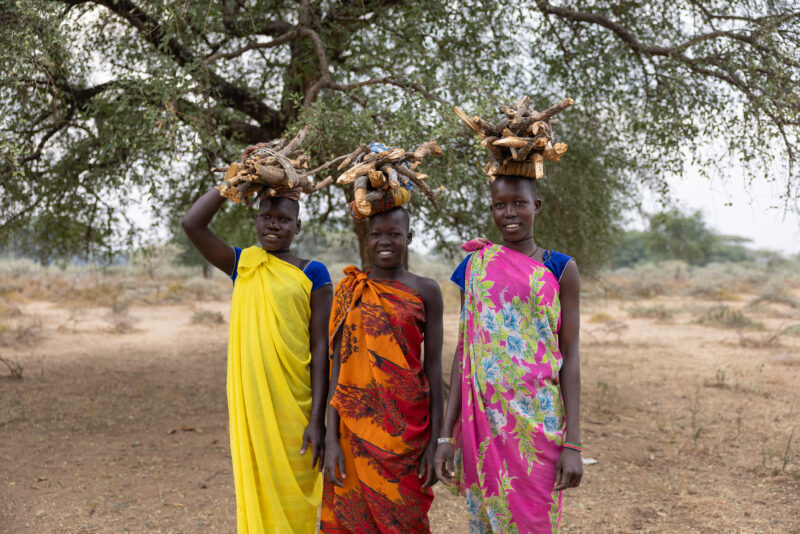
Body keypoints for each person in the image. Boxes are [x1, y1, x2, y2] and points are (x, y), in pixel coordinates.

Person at [181, 178, 333, 533]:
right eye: (266, 217)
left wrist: (317, 419)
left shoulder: (313, 272)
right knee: (259, 492)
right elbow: (192, 224)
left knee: (297, 499)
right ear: (256, 220)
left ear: (298, 226)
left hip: (296, 407)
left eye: (283, 219)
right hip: (255, 410)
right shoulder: (243, 264)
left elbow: (321, 348)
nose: (273, 225)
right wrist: (236, 181)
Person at [434, 174, 583, 533]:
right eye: (500, 205)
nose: (510, 213)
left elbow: (571, 355)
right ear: (491, 209)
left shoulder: (560, 268)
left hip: (539, 422)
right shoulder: (472, 267)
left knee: (535, 521)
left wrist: (573, 442)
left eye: (519, 203)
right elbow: (464, 353)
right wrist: (444, 436)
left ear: (537, 206)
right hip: (482, 425)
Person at [321, 206, 444, 533]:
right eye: (376, 234)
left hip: (407, 434)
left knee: (406, 522)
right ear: (367, 239)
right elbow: (339, 369)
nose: (384, 241)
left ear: (409, 238)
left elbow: (433, 368)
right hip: (353, 431)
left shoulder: (426, 290)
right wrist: (330, 438)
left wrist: (434, 443)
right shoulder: (350, 292)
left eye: (394, 234)